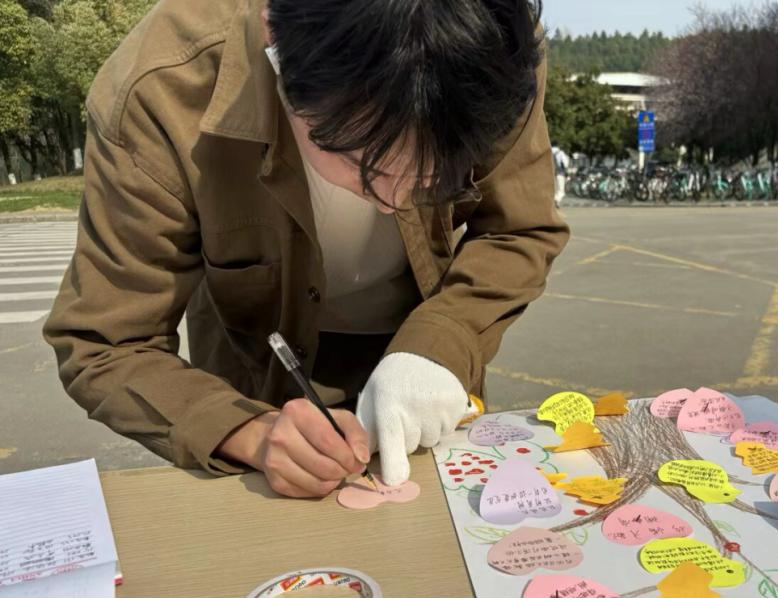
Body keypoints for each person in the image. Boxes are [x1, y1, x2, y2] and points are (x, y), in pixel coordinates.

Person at [43, 0, 569, 498]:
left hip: (425, 369)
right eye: (366, 164)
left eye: (437, 174)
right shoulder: (161, 87)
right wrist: (249, 432)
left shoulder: (493, 44)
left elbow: (517, 229)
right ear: (274, 37)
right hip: (254, 378)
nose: (396, 200)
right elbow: (107, 342)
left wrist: (444, 341)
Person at [551, 141, 569, 207]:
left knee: (554, 190)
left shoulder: (548, 151)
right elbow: (565, 164)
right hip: (560, 173)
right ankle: (556, 200)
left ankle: (555, 203)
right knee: (561, 191)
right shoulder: (560, 153)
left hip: (550, 174)